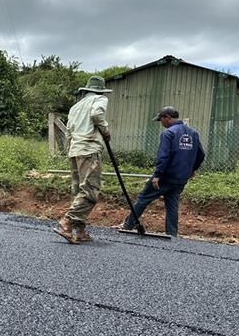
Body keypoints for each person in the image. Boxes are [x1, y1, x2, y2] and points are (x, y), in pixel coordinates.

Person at [115, 106, 205, 236]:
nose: (161, 123)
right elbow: (201, 154)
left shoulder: (168, 133)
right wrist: (192, 169)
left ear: (167, 118)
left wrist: (157, 175)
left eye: (161, 119)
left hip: (166, 177)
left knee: (143, 198)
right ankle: (172, 233)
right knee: (172, 203)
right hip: (181, 178)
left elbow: (164, 156)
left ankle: (128, 225)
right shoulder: (193, 133)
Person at [54, 76, 112, 244]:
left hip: (75, 150)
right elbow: (96, 114)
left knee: (78, 191)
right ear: (100, 90)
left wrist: (71, 150)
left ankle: (79, 231)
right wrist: (105, 131)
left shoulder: (75, 107)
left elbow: (69, 132)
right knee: (90, 191)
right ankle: (66, 223)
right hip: (89, 149)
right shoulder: (100, 99)